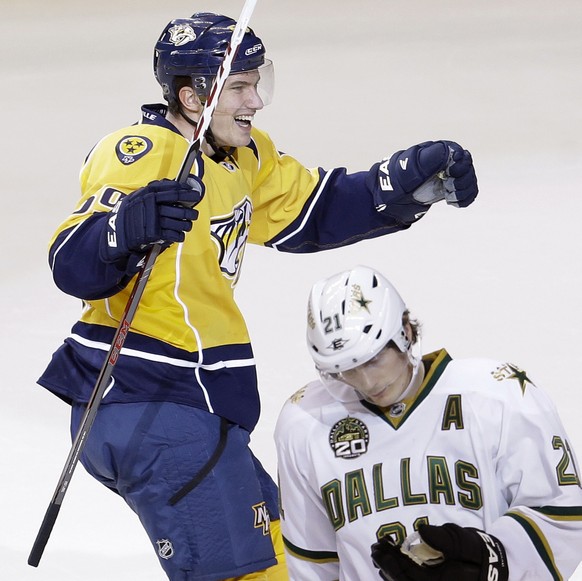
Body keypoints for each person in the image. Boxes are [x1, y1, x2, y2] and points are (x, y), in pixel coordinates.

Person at [37, 11, 478, 581]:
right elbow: (71, 260)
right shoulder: (144, 149)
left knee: (296, 559)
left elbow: (314, 211)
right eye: (240, 87)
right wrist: (125, 227)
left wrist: (404, 184)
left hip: (194, 409)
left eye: (257, 81)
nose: (256, 100)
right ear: (194, 97)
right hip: (148, 402)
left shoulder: (243, 156)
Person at [275, 265, 582, 581]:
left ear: (405, 332)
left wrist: (489, 561)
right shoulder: (305, 424)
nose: (366, 382)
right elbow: (313, 563)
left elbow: (561, 515)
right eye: (345, 370)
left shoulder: (496, 396)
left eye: (373, 360)